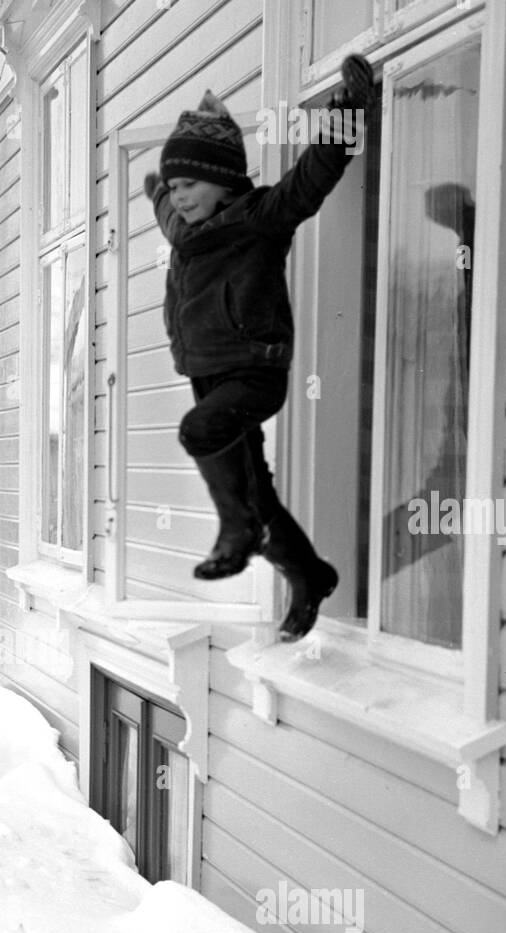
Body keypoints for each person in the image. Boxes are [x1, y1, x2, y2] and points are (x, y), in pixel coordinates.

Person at [145, 54, 374, 640]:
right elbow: (164, 207)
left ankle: (237, 531)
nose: (181, 197)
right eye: (175, 186)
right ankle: (310, 575)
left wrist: (347, 111)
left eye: (190, 184)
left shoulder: (259, 217)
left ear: (224, 179)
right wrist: (156, 189)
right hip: (204, 368)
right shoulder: (184, 228)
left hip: (255, 370)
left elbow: (312, 177)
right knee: (257, 490)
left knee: (200, 432)